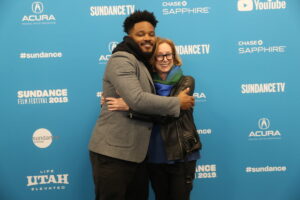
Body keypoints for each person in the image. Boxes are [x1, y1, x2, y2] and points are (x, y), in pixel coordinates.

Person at [88, 10, 195, 200]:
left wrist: (129, 104)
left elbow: (139, 102)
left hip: (137, 155)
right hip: (114, 153)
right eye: (141, 34)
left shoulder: (142, 62)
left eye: (151, 34)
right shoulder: (122, 59)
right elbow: (138, 99)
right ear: (129, 36)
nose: (147, 38)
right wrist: (177, 102)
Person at [105, 37, 202, 200]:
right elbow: (148, 104)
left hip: (182, 154)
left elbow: (168, 114)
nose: (165, 59)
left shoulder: (186, 81)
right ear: (152, 58)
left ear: (174, 56)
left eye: (168, 55)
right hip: (153, 155)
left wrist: (130, 106)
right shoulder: (144, 86)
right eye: (159, 55)